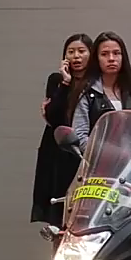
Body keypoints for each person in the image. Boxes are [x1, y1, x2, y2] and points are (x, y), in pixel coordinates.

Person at [31, 33, 91, 225]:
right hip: (59, 151)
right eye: (71, 52)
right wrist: (65, 83)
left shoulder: (96, 83)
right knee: (59, 215)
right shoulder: (57, 80)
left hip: (85, 152)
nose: (76, 56)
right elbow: (53, 116)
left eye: (82, 51)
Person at [69, 31, 131, 151]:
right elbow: (80, 136)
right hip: (99, 162)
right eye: (104, 54)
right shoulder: (87, 92)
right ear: (96, 59)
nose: (111, 59)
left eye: (116, 53)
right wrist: (109, 154)